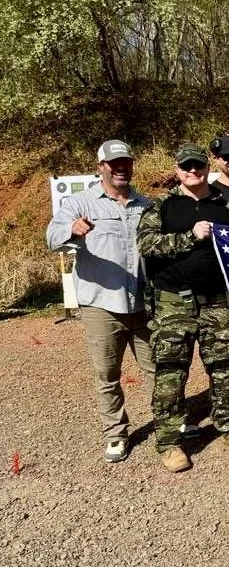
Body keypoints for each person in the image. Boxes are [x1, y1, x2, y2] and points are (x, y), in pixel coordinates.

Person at [136, 143, 229, 473]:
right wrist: (190, 236)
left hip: (217, 303)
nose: (193, 171)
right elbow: (146, 245)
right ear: (177, 170)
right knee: (171, 375)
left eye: (198, 166)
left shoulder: (227, 209)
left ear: (207, 168)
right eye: (186, 166)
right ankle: (170, 441)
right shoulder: (161, 206)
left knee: (225, 370)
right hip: (174, 304)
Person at [46, 139, 153, 464]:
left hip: (143, 303)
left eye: (126, 162)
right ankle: (116, 435)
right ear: (101, 167)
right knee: (107, 375)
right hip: (101, 305)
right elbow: (52, 236)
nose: (121, 168)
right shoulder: (81, 203)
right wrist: (72, 230)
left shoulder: (144, 204)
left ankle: (168, 423)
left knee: (158, 371)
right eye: (114, 163)